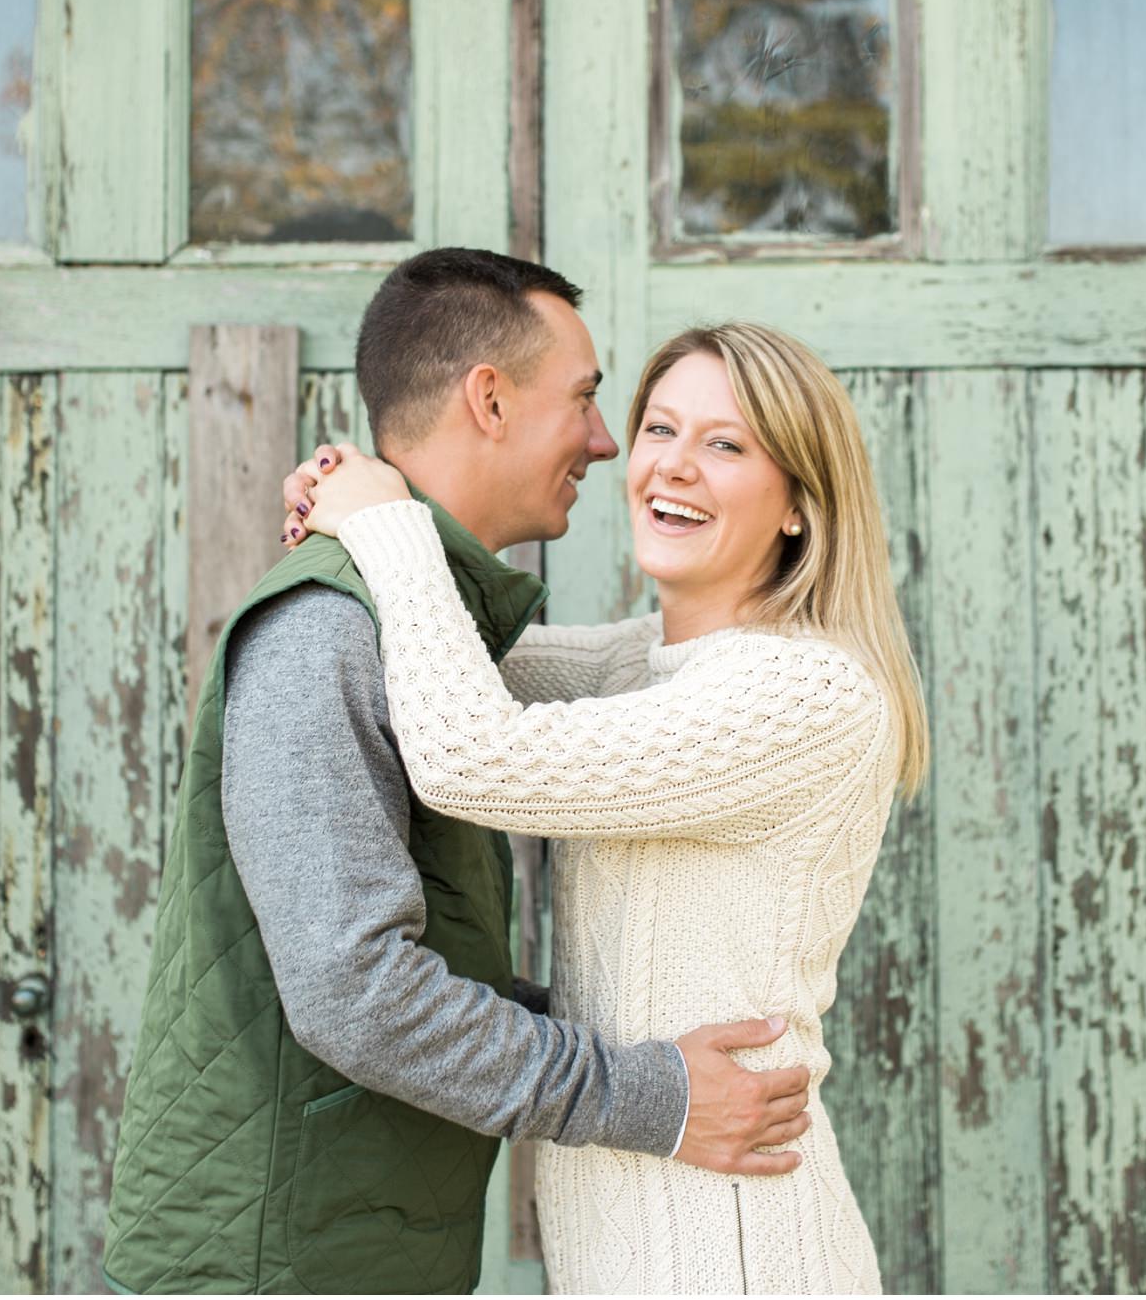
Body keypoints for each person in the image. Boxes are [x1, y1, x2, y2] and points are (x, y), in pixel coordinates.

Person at [99, 251, 815, 1296]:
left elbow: (431, 958)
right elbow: (356, 993)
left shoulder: (433, 646)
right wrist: (640, 1092)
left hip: (349, 1249)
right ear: (489, 398)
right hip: (274, 1265)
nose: (605, 442)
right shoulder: (329, 630)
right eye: (585, 399)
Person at [279, 321, 931, 1294]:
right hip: (619, 1246)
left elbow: (464, 753)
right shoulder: (637, 665)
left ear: (797, 502)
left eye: (725, 444)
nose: (672, 466)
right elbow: (430, 658)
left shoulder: (806, 694)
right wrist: (351, 500)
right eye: (659, 428)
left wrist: (385, 522)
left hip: (738, 1254)